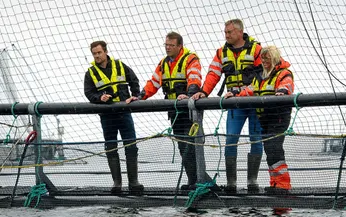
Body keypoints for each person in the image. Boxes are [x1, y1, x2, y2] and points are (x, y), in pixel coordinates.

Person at [126, 32, 205, 190]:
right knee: (183, 146)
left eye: (171, 45)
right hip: (174, 112)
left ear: (179, 46)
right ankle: (192, 180)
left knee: (192, 144)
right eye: (166, 45)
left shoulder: (190, 59)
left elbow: (194, 79)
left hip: (190, 111)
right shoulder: (163, 64)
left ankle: (199, 180)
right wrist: (140, 97)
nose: (168, 48)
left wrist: (188, 96)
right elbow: (153, 83)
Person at [202, 19, 264, 194]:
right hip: (234, 104)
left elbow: (262, 77)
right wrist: (204, 93)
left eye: (229, 32)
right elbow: (213, 74)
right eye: (225, 32)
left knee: (256, 139)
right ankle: (231, 184)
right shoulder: (221, 52)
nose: (226, 35)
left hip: (254, 102)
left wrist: (244, 92)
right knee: (230, 140)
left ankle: (252, 182)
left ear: (239, 32)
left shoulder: (257, 50)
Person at [227, 45, 294, 195]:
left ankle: (282, 185)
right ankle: (276, 183)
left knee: (274, 149)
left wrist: (282, 92)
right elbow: (250, 89)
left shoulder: (283, 74)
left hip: (278, 118)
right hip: (265, 119)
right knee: (270, 150)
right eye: (263, 58)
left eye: (267, 58)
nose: (264, 61)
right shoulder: (261, 77)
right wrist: (235, 93)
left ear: (274, 58)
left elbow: (287, 85)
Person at [84, 40, 144, 195]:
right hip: (107, 116)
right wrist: (99, 98)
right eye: (94, 53)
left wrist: (136, 96)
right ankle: (117, 183)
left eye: (99, 52)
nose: (97, 56)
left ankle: (133, 182)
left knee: (131, 146)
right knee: (111, 148)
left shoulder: (120, 66)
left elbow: (134, 81)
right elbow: (89, 93)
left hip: (124, 112)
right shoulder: (90, 73)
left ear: (105, 52)